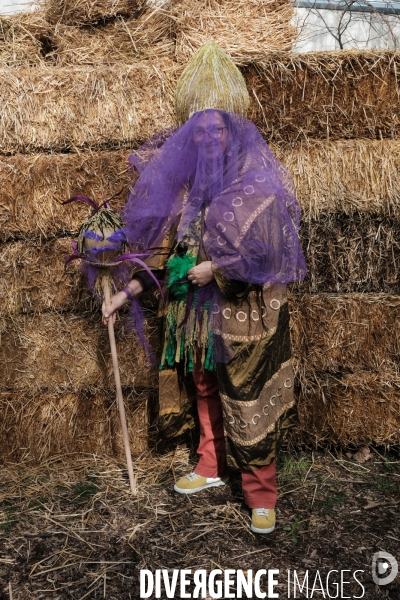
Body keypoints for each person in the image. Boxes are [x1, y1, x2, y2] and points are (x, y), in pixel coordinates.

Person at [102, 43, 306, 534]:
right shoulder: (188, 186)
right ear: (191, 136)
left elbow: (271, 251)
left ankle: (261, 495)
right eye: (201, 130)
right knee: (204, 386)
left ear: (231, 130)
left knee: (247, 394)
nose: (210, 137)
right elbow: (163, 255)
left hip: (244, 309)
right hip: (194, 315)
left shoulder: (255, 179)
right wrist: (123, 294)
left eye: (217, 128)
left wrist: (215, 269)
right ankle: (210, 467)